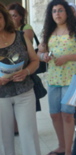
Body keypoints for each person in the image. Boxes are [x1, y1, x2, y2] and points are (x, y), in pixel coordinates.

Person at [37, 0, 76, 155]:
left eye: (60, 10)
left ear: (67, 12)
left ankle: (69, 150)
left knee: (68, 115)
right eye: (54, 11)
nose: (57, 14)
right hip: (53, 78)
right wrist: (43, 56)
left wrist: (67, 57)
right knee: (54, 114)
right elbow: (40, 51)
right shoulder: (49, 30)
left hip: (72, 77)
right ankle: (61, 146)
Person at [0, 3, 42, 155]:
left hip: (24, 91)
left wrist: (26, 71)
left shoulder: (20, 36)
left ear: (4, 17)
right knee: (3, 137)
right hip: (1, 95)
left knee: (28, 132)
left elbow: (35, 60)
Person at [7, 2, 41, 136]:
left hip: (25, 69)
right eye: (9, 16)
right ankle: (15, 129)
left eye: (15, 16)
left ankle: (22, 128)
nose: (12, 18)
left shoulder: (25, 30)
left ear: (20, 17)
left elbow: (26, 50)